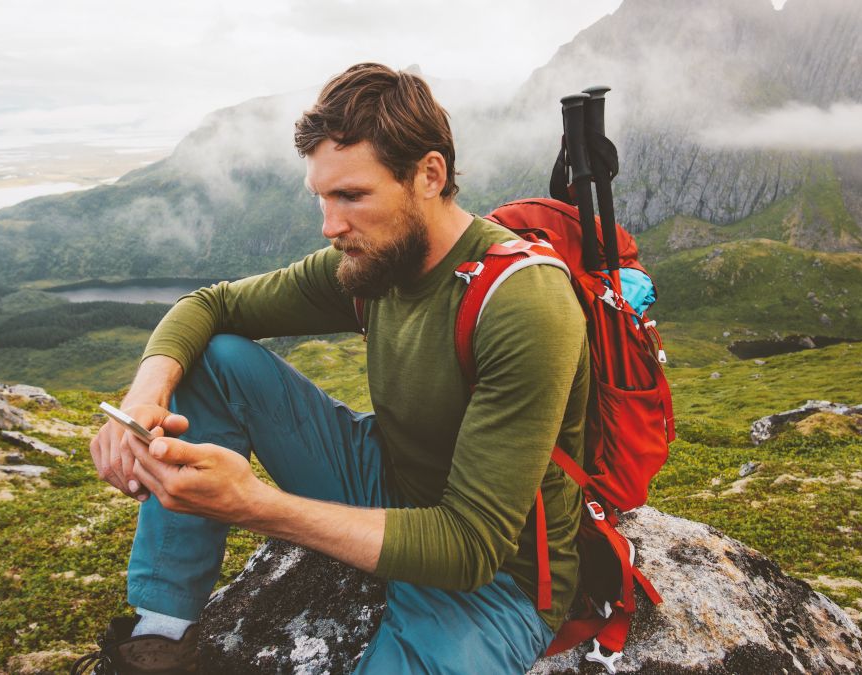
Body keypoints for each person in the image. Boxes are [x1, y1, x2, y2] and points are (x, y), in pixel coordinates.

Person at [75, 62, 589, 675]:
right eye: (322, 197)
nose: (330, 226)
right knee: (215, 359)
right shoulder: (375, 264)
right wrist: (142, 402)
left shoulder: (523, 303)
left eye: (352, 196)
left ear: (429, 175)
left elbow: (470, 546)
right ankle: (161, 632)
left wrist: (251, 504)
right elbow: (207, 305)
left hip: (495, 574)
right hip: (387, 482)